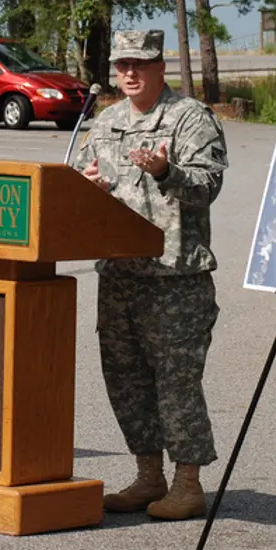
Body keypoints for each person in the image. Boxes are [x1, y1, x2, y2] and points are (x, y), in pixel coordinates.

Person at [74, 29, 228, 520]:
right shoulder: (104, 122)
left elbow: (208, 185)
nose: (129, 73)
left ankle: (187, 483)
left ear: (161, 67)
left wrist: (167, 172)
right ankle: (148, 476)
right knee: (126, 379)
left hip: (173, 278)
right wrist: (86, 186)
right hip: (119, 276)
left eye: (139, 64)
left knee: (177, 382)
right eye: (121, 65)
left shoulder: (188, 118)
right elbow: (76, 180)